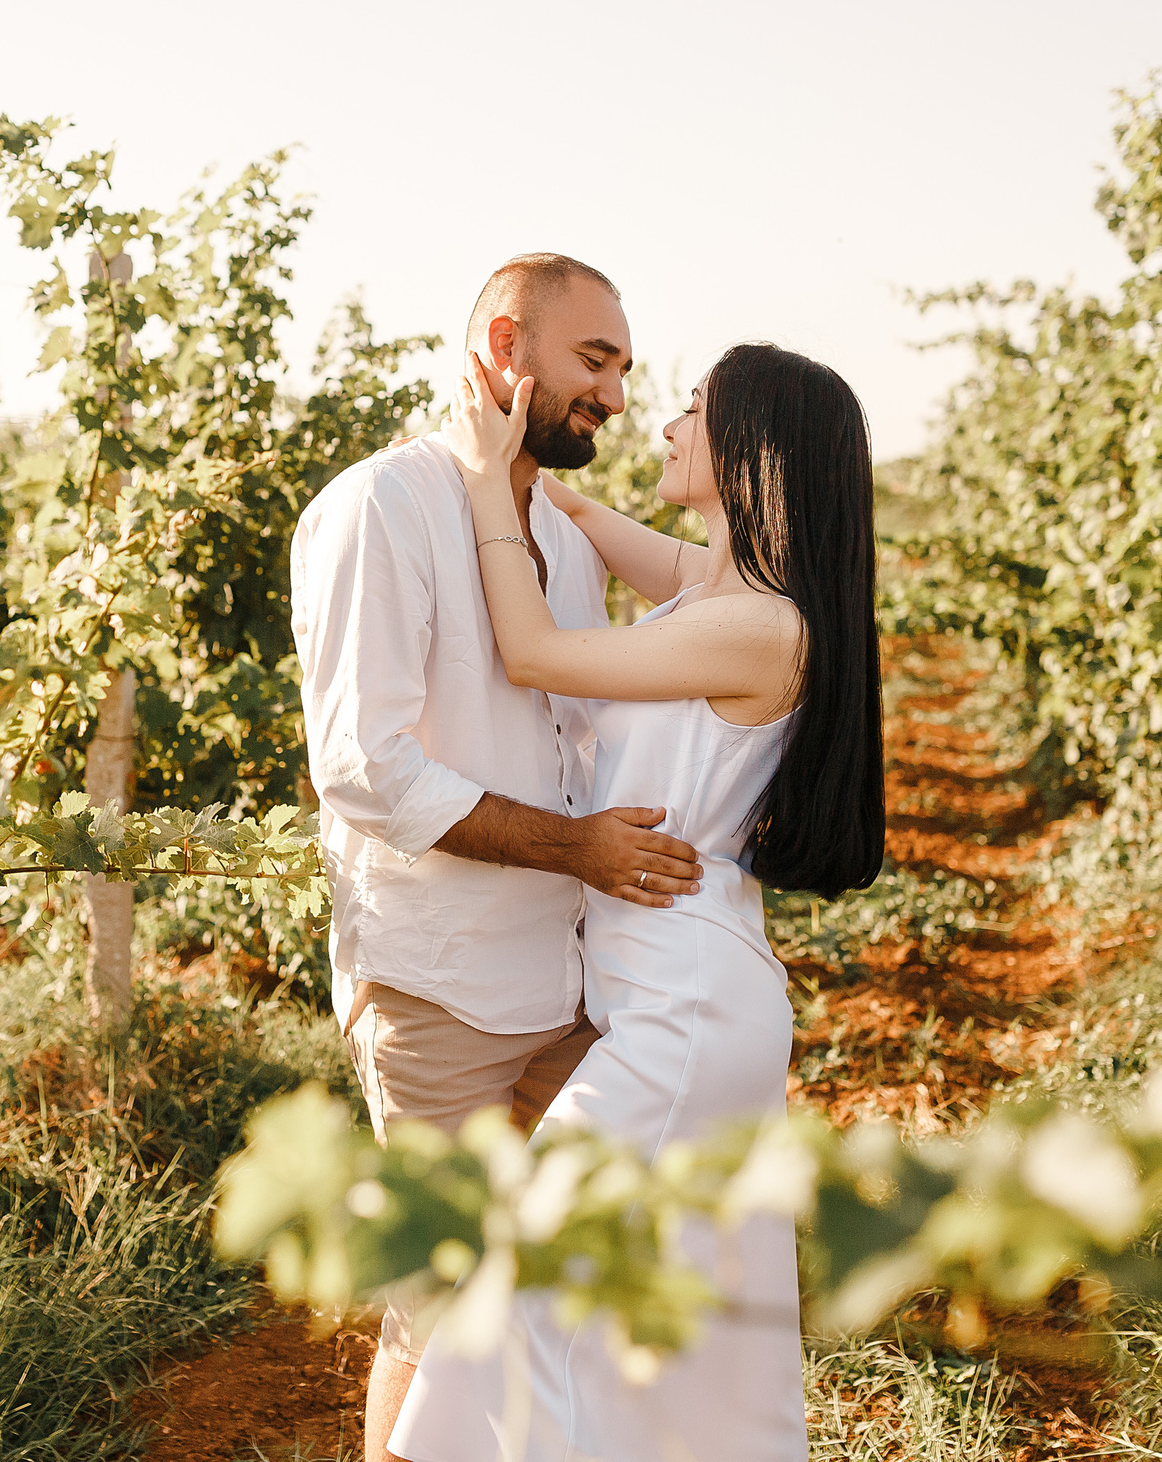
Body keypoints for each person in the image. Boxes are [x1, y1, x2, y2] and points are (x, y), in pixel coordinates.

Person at [389, 340, 887, 1462]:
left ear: (753, 449)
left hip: (683, 1016)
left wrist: (479, 486)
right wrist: (524, 461)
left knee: (529, 1281)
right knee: (670, 1330)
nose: (660, 425)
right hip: (682, 994)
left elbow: (532, 650)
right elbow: (600, 528)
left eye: (693, 412)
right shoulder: (723, 588)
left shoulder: (758, 626)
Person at [290, 253, 710, 1462]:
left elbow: (573, 739)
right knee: (440, 1311)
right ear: (502, 346)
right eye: (595, 361)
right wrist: (574, 848)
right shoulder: (381, 506)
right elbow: (362, 765)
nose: (617, 398)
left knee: (559, 1293)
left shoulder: (559, 541)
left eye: (625, 368)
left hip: (568, 980)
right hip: (441, 983)